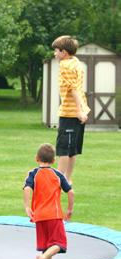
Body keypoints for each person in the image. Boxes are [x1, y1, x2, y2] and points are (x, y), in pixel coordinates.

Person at [23, 143, 74, 259]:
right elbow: (71, 192)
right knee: (60, 243)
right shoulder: (58, 174)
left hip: (39, 216)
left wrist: (27, 206)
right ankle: (43, 258)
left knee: (46, 247)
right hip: (54, 215)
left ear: (37, 158)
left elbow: (27, 188)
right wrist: (69, 209)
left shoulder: (33, 174)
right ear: (53, 160)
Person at [52, 35, 91, 186]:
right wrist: (82, 110)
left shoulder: (65, 66)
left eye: (56, 51)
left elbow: (73, 89)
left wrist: (79, 111)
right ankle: (67, 178)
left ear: (64, 52)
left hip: (70, 113)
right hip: (78, 111)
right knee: (72, 148)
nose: (55, 54)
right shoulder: (76, 63)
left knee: (63, 148)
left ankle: (59, 179)